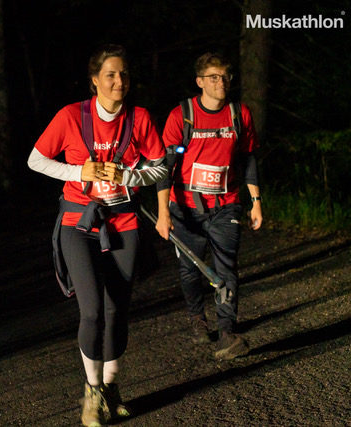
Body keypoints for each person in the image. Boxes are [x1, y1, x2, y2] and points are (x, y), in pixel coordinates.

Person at [28, 44, 168, 426]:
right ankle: (91, 393)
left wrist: (130, 176)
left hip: (123, 222)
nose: (118, 81)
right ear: (94, 81)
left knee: (117, 310)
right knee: (91, 311)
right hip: (79, 223)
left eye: (123, 74)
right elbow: (35, 159)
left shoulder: (139, 118)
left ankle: (110, 387)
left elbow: (160, 167)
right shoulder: (72, 116)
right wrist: (79, 173)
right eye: (110, 74)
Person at [155, 52, 262, 360]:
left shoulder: (238, 114)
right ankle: (197, 319)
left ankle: (227, 331)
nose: (221, 82)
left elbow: (248, 158)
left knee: (227, 267)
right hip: (185, 206)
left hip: (226, 205)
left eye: (225, 76)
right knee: (190, 270)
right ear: (200, 81)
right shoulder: (182, 115)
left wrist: (255, 201)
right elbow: (166, 166)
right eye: (214, 77)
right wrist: (163, 213)